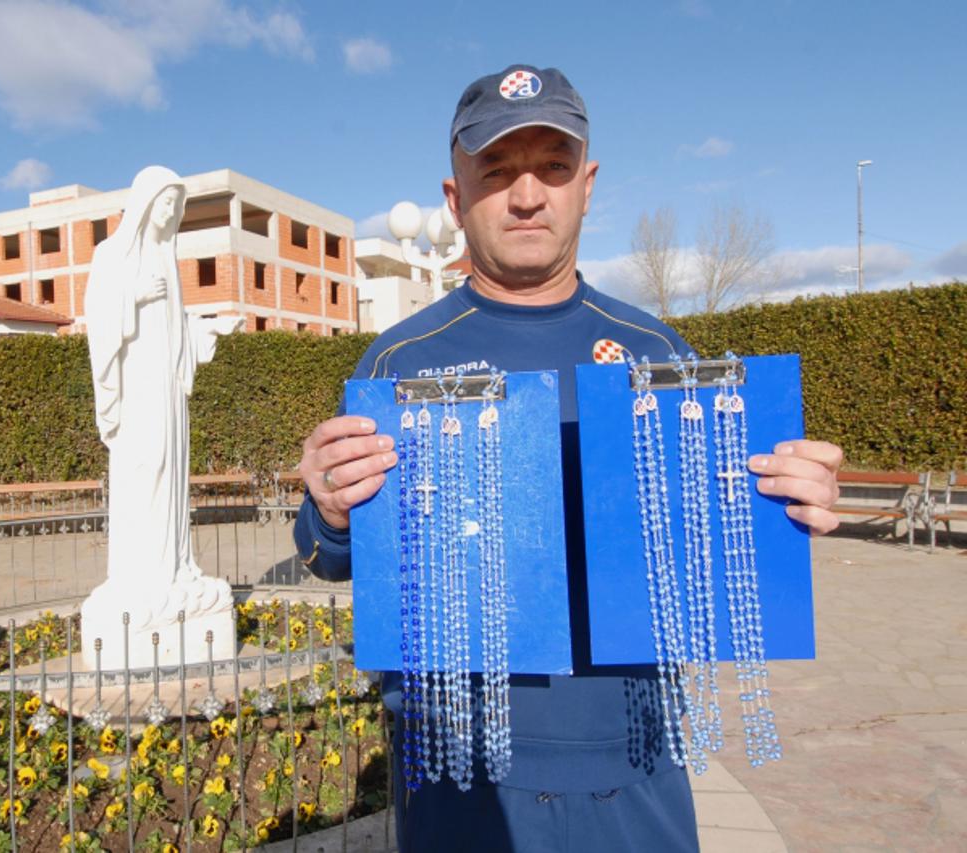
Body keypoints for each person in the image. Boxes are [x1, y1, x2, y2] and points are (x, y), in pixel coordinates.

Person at [293, 66, 843, 852]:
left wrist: (786, 504)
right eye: (497, 171)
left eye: (553, 167)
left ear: (587, 185)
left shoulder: (660, 355)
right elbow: (324, 553)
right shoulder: (396, 362)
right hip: (463, 787)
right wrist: (331, 508)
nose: (527, 195)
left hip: (635, 769)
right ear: (456, 197)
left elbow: (716, 540)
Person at [83, 165, 241, 630]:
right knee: (144, 469)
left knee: (171, 474)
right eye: (166, 202)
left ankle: (173, 570)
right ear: (145, 205)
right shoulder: (112, 253)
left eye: (177, 205)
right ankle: (139, 576)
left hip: (168, 390)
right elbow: (98, 316)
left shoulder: (168, 260)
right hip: (137, 388)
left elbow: (175, 328)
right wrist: (133, 296)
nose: (171, 212)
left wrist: (207, 328)